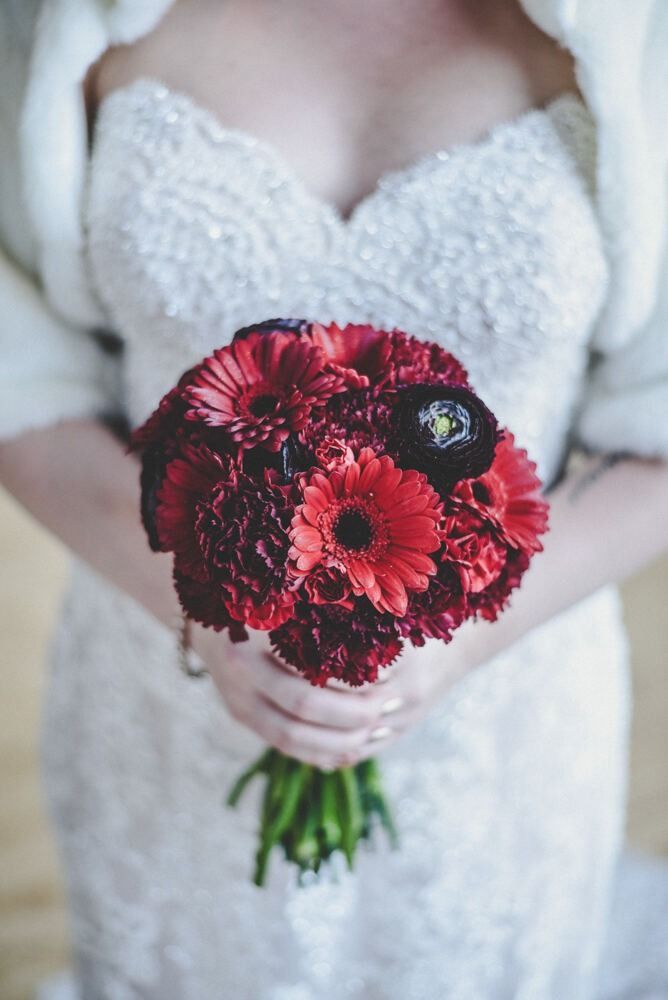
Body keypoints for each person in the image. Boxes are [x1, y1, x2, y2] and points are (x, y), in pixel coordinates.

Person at [1, 0, 668, 996]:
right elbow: (22, 370)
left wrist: (461, 636)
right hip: (159, 678)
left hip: (503, 711)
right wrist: (200, 612)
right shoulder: (62, 17)